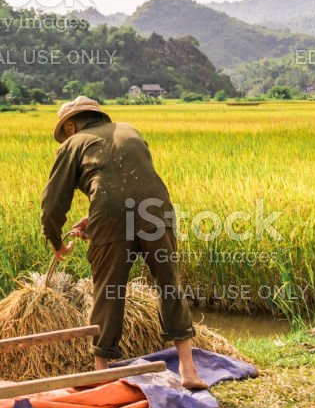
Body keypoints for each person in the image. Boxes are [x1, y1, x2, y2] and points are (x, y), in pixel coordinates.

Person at [40, 96, 207, 390]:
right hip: (156, 209)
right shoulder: (131, 131)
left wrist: (54, 238)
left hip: (111, 213)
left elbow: (53, 203)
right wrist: (93, 220)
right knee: (169, 283)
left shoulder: (74, 143)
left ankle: (101, 371)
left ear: (70, 125)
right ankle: (188, 369)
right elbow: (132, 183)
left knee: (108, 290)